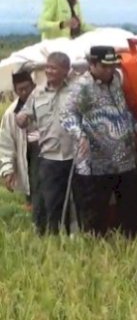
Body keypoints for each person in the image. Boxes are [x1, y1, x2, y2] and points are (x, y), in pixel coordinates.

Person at [61, 46, 137, 238]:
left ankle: (133, 246)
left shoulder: (116, 80)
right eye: (104, 66)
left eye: (112, 65)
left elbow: (123, 112)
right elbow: (67, 116)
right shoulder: (81, 87)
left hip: (125, 160)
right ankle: (97, 250)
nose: (110, 70)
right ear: (92, 65)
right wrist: (79, 134)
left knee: (132, 210)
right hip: (95, 163)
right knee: (95, 214)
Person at [15, 53, 75, 235]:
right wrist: (21, 119)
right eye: (47, 67)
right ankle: (53, 239)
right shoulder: (37, 93)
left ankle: (76, 238)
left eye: (54, 68)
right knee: (51, 202)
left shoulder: (76, 90)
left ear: (66, 71)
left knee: (76, 202)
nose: (49, 71)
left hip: (75, 157)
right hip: (49, 157)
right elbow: (24, 116)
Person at [0, 70, 40, 220]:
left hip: (47, 155)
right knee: (31, 192)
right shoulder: (10, 113)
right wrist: (7, 170)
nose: (24, 92)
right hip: (27, 158)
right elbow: (6, 144)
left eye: (27, 88)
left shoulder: (45, 104)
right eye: (20, 90)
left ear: (33, 86)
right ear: (15, 91)